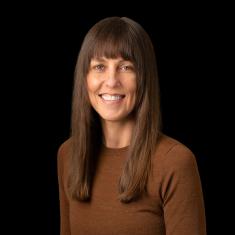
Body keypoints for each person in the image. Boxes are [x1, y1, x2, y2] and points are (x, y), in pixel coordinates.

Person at [57, 16, 206, 235]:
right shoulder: (67, 155)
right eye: (99, 66)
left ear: (144, 78)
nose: (111, 81)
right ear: (84, 78)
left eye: (126, 67)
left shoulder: (175, 162)